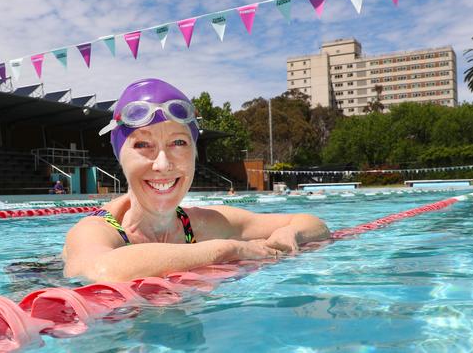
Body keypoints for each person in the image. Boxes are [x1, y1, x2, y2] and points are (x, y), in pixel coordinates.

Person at [63, 79, 329, 283]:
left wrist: (290, 233)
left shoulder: (202, 223)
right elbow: (100, 270)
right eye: (143, 144)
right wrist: (229, 249)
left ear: (194, 152)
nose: (163, 164)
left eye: (178, 142)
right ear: (120, 156)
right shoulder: (97, 229)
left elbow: (314, 223)